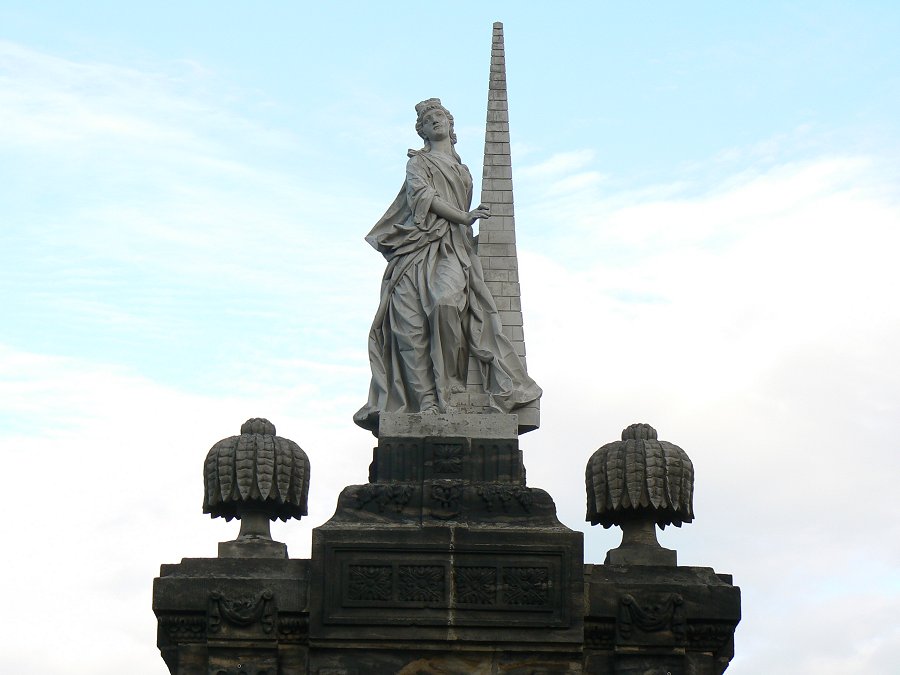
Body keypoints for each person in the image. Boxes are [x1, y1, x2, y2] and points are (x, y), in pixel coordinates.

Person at [354, 98, 541, 431]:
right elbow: (423, 199)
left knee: (445, 303)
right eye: (428, 119)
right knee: (409, 330)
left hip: (451, 249)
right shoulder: (418, 164)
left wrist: (470, 226)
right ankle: (426, 400)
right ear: (421, 131)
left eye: (439, 116)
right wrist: (465, 217)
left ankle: (451, 388)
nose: (435, 121)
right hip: (414, 251)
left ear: (451, 127)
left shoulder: (462, 171)